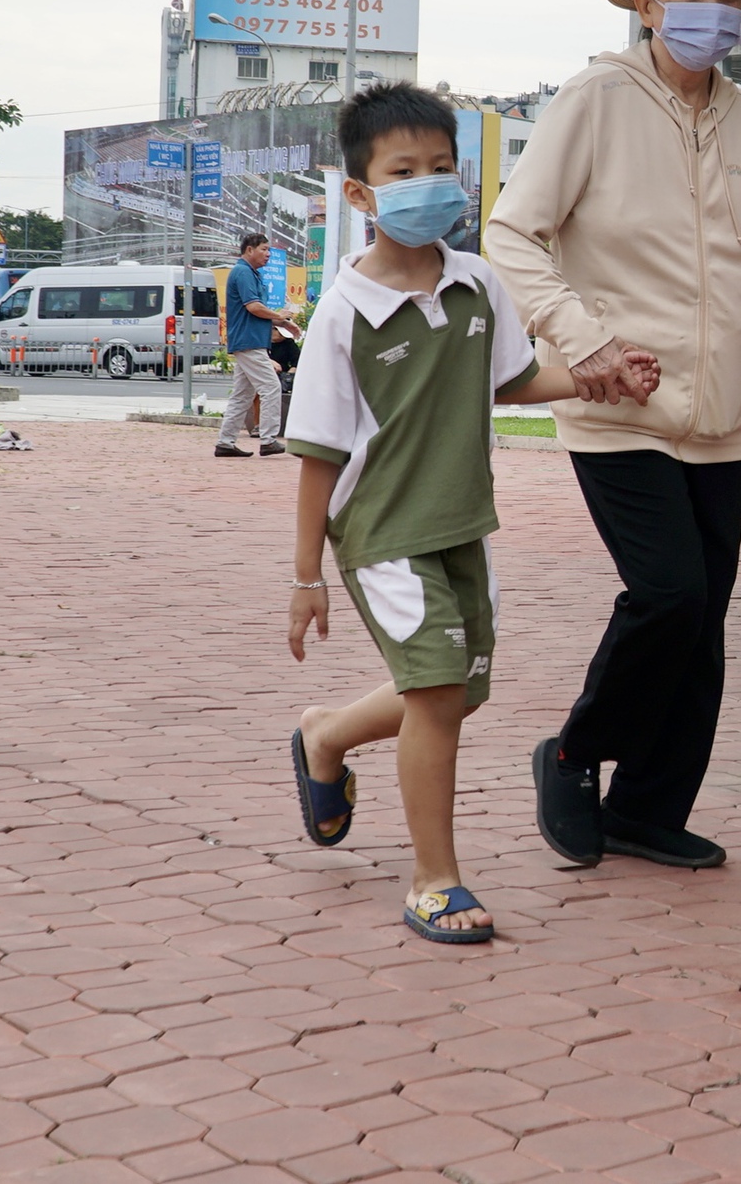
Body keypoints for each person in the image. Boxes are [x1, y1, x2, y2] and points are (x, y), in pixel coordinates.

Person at [486, 0, 741, 871]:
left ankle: (648, 804)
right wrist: (585, 341)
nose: (712, 11)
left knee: (704, 616)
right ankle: (571, 752)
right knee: (669, 592)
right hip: (620, 406)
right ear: (646, 4)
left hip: (722, 415)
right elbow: (512, 234)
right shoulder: (595, 98)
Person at [283, 83, 660, 943]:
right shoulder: (343, 314)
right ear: (360, 192)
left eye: (443, 167)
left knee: (456, 694)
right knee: (440, 689)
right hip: (382, 533)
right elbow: (317, 455)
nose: (430, 183)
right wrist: (307, 575)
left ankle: (325, 737)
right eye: (404, 169)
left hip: (463, 524)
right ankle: (433, 879)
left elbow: (514, 380)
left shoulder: (478, 283)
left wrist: (605, 378)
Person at [218, 231, 299, 459]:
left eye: (269, 251)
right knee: (271, 387)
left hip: (249, 340)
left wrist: (285, 323)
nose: (268, 255)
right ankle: (269, 439)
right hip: (249, 341)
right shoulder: (243, 272)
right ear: (249, 250)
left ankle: (225, 442)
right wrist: (281, 316)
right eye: (264, 250)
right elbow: (254, 307)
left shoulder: (251, 274)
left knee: (242, 395)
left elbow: (257, 312)